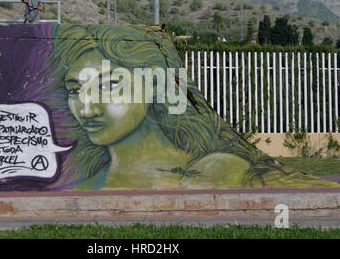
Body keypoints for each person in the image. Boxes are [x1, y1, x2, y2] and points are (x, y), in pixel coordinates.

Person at [41, 25, 340, 190]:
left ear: (154, 84)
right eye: (75, 90)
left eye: (107, 85)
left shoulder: (215, 169)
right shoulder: (86, 183)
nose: (87, 107)